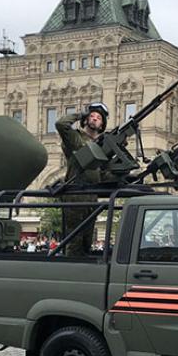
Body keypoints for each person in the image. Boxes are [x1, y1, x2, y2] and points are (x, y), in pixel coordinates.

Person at [56, 102, 109, 257]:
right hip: (75, 194)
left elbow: (102, 174)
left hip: (92, 197)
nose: (94, 119)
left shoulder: (101, 146)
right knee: (74, 241)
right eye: (91, 116)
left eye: (98, 118)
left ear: (102, 125)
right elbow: (61, 124)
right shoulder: (76, 138)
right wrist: (80, 114)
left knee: (87, 242)